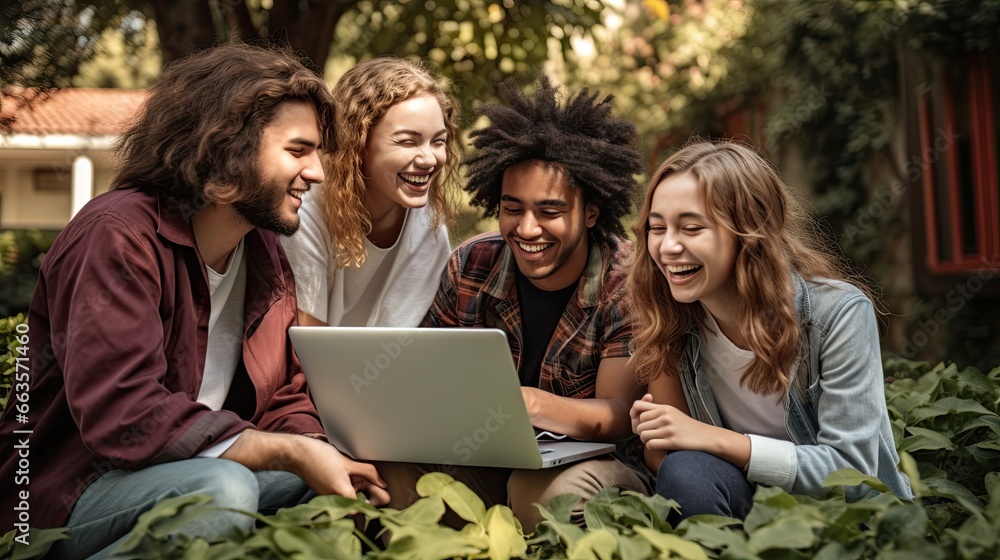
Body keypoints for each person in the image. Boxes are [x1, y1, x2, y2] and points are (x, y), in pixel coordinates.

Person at [0, 43, 388, 559]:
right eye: (298, 151)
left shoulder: (265, 251)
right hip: (59, 498)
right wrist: (287, 452)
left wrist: (315, 452)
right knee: (223, 493)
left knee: (325, 487)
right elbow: (124, 410)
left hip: (187, 472)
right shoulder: (117, 235)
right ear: (225, 150)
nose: (317, 173)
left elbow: (283, 397)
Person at [378, 76, 648, 532]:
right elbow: (428, 371)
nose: (526, 229)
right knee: (390, 472)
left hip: (599, 464)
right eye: (512, 208)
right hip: (483, 453)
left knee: (537, 494)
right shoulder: (472, 264)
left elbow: (617, 417)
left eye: (549, 211)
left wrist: (529, 404)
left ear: (592, 212)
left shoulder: (625, 281)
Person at [628, 140, 913, 523]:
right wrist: (657, 432)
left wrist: (718, 440)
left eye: (692, 227)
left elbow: (854, 475)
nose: (667, 247)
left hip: (844, 521)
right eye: (657, 228)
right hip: (749, 509)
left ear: (748, 234)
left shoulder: (837, 314)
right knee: (686, 473)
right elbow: (671, 452)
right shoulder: (671, 321)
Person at [281, 56, 460, 328]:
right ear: (358, 143)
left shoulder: (428, 221)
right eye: (408, 141)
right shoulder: (305, 212)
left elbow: (407, 342)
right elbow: (310, 346)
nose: (429, 159)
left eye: (438, 141)